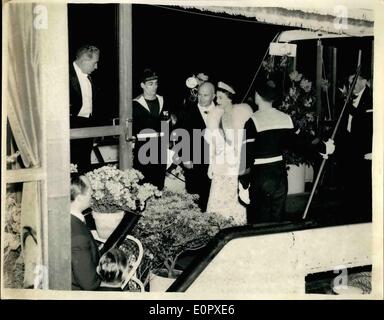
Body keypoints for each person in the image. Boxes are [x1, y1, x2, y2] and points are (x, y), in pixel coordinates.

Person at [240, 79, 335, 224]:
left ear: (257, 96)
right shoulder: (286, 119)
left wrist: (244, 184)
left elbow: (246, 157)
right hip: (280, 177)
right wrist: (323, 147)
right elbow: (303, 143)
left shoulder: (252, 122)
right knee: (277, 220)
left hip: (261, 177)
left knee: (259, 222)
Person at [204, 81, 253, 224]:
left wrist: (244, 164)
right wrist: (211, 164)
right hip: (220, 165)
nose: (217, 101)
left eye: (220, 98)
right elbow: (212, 143)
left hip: (235, 165)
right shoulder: (214, 116)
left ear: (229, 98)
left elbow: (246, 144)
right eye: (217, 97)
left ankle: (236, 228)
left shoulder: (242, 113)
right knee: (218, 199)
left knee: (234, 199)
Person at [336, 68, 372, 222]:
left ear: (364, 81)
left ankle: (362, 215)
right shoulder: (348, 99)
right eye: (351, 81)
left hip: (363, 147)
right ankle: (348, 213)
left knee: (361, 182)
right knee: (348, 180)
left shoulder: (370, 98)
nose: (352, 84)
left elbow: (367, 123)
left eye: (356, 80)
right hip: (348, 146)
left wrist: (371, 149)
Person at [177, 81, 216, 211]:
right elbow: (180, 135)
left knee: (214, 197)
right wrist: (185, 158)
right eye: (199, 95)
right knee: (196, 199)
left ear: (213, 96)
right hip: (195, 162)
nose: (201, 98)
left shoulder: (221, 111)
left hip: (216, 162)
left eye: (205, 95)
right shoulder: (186, 112)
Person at [132, 68, 171, 190]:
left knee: (159, 183)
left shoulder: (163, 100)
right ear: (142, 85)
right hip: (143, 148)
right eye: (150, 84)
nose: (154, 87)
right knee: (143, 183)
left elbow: (167, 123)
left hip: (160, 148)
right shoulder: (135, 104)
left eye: (156, 83)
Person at [69, 45, 100, 173]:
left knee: (84, 165)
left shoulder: (89, 75)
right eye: (95, 63)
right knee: (72, 166)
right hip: (71, 125)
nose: (96, 67)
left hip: (87, 124)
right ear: (84, 61)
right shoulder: (64, 74)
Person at [70, 173, 101, 290]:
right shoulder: (79, 237)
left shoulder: (67, 219)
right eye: (89, 190)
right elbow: (90, 284)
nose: (92, 193)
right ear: (78, 198)